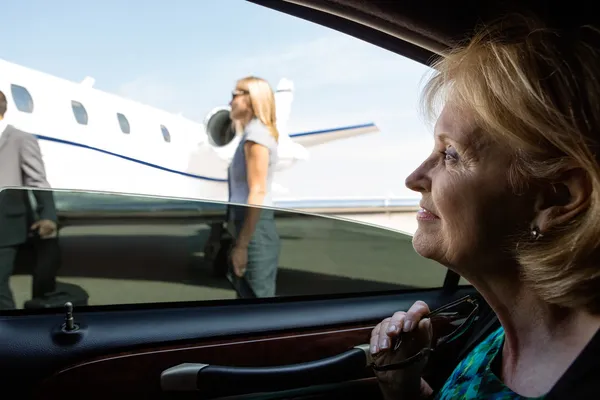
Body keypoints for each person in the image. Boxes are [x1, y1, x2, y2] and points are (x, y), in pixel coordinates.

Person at [370, 14, 600, 399]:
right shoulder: (490, 329)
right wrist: (404, 386)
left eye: (452, 154)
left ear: (557, 197)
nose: (413, 178)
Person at [0, 89, 58, 309]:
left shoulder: (20, 139)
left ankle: (10, 336)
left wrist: (48, 216)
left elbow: (38, 180)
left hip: (6, 227)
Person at [226, 76, 281, 298]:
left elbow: (257, 191)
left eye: (234, 95)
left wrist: (241, 246)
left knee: (257, 306)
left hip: (254, 228)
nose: (230, 102)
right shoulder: (251, 134)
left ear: (250, 99)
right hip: (251, 227)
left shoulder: (256, 135)